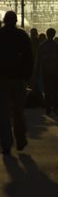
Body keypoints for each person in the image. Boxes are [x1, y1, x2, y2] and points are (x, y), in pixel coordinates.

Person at [0, 11, 33, 155]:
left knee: (3, 113)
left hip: (2, 80)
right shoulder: (22, 36)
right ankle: (21, 139)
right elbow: (29, 58)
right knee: (18, 111)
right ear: (16, 21)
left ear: (5, 20)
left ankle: (6, 143)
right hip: (19, 80)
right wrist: (28, 77)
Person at [37, 28, 58, 115]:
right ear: (54, 34)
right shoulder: (57, 46)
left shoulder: (42, 46)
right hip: (56, 72)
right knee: (56, 91)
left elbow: (38, 60)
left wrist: (37, 71)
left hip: (45, 72)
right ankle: (55, 109)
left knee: (47, 91)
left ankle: (48, 109)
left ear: (47, 34)